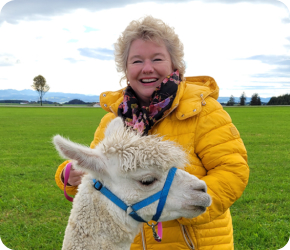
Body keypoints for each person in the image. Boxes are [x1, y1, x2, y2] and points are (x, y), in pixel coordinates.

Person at [55, 16, 249, 250]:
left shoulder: (203, 112)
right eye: (137, 61)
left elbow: (232, 170)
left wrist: (181, 202)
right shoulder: (115, 120)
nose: (147, 68)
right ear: (126, 68)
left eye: (157, 58)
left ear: (174, 64)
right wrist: (68, 175)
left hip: (194, 242)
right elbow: (100, 178)